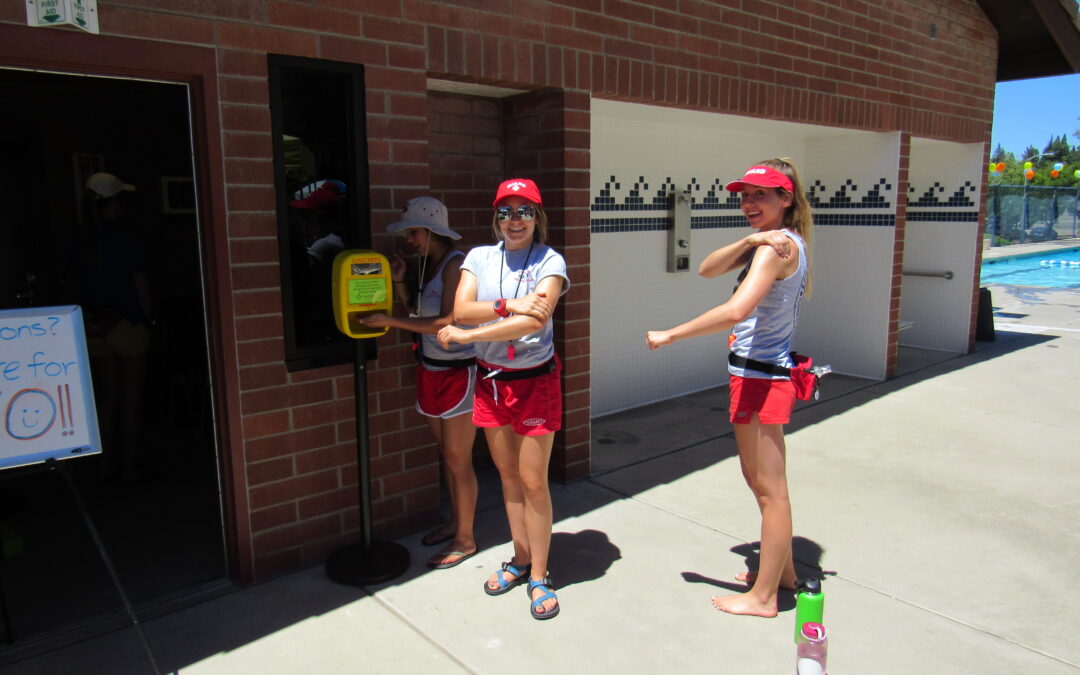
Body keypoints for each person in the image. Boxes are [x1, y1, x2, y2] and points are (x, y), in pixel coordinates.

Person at [645, 158, 813, 618]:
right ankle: (782, 576)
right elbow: (706, 268)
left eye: (761, 194)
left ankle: (764, 598)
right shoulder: (773, 243)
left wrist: (672, 334)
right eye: (745, 195)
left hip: (763, 378)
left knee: (769, 491)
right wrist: (750, 236)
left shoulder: (776, 250)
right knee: (761, 484)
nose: (749, 202)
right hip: (754, 375)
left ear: (786, 198)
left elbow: (735, 311)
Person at [437, 178, 569, 620]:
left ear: (538, 217)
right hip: (491, 381)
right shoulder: (479, 257)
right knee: (508, 478)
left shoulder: (551, 260)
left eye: (524, 211)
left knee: (533, 482)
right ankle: (521, 558)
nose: (515, 220)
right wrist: (509, 305)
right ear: (496, 218)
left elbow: (535, 322)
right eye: (506, 212)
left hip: (535, 382)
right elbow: (462, 309)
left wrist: (468, 334)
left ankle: (540, 575)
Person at [358, 197, 479, 569]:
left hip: (458, 373)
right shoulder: (429, 265)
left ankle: (465, 539)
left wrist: (390, 322)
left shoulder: (456, 266)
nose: (409, 239)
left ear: (433, 231)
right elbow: (417, 312)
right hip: (431, 370)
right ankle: (455, 524)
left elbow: (446, 322)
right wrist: (398, 282)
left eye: (413, 232)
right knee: (448, 456)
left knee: (459, 459)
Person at [75, 172, 155, 483]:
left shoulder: (82, 240)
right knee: (130, 400)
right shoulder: (126, 240)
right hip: (127, 324)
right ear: (114, 202)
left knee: (107, 400)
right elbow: (141, 286)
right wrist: (149, 319)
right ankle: (129, 469)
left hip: (96, 324)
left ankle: (104, 466)